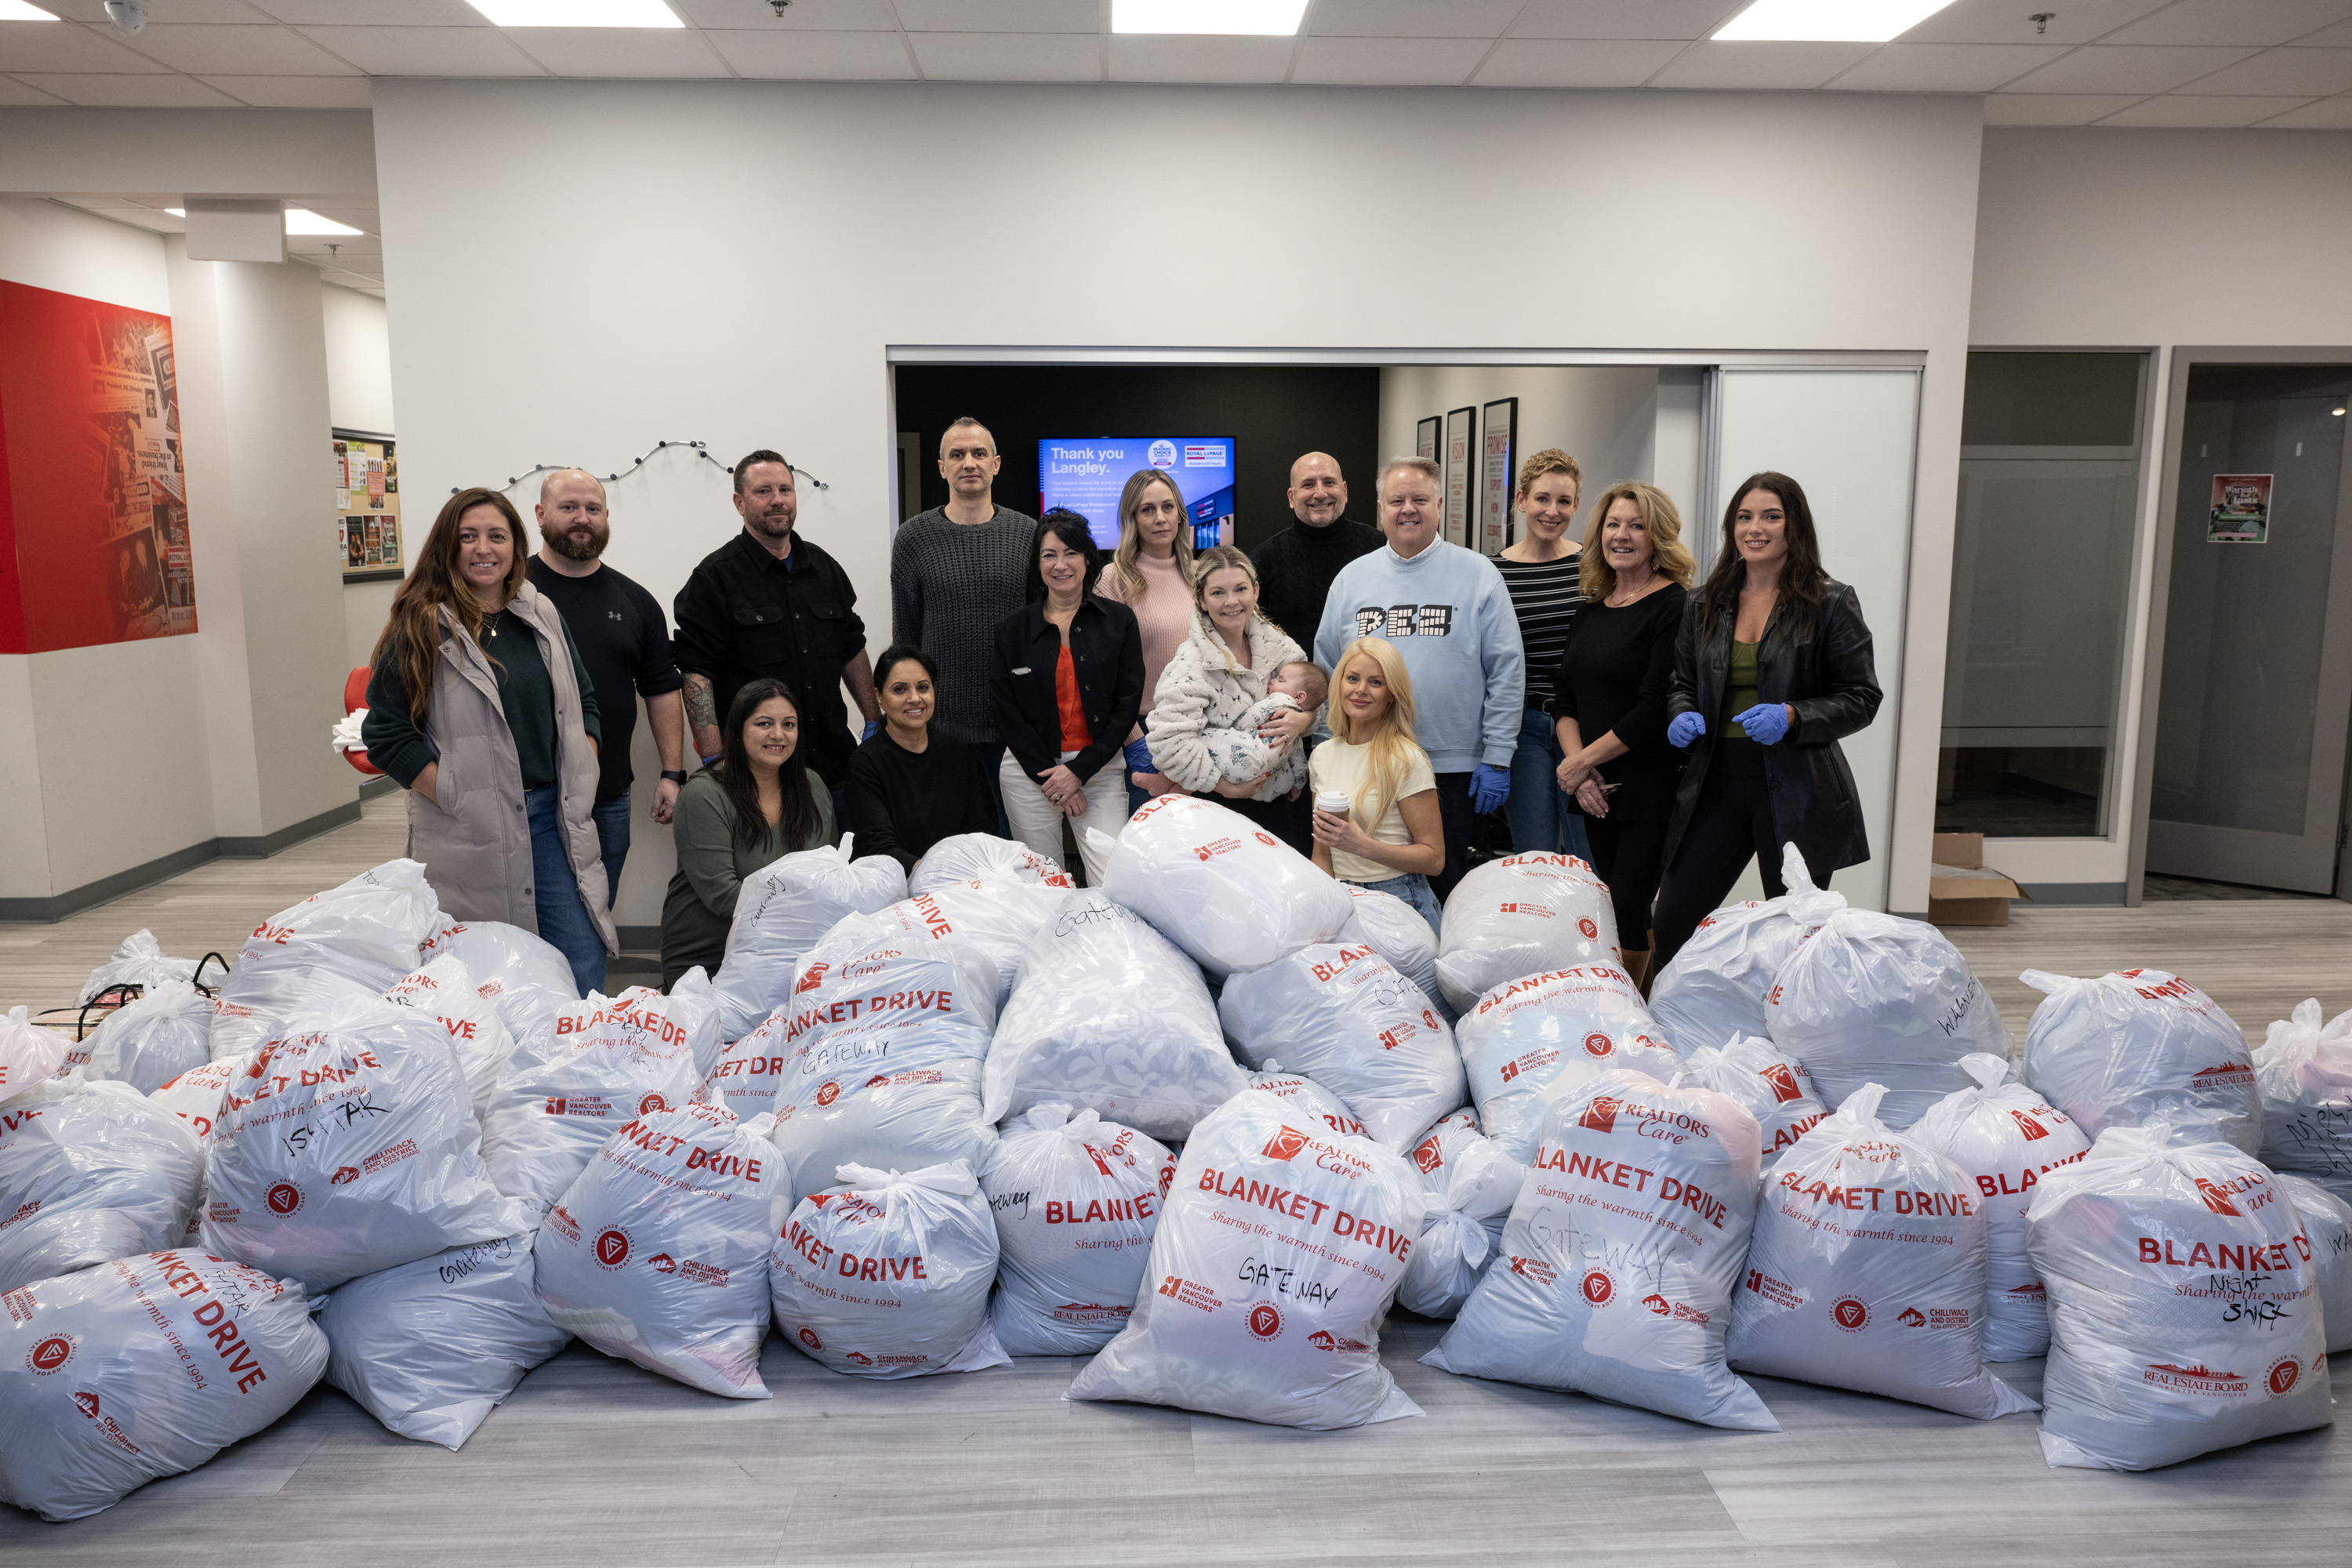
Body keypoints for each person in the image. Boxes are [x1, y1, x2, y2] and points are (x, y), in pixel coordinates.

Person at [362, 487, 614, 993]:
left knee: (581, 959)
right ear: (447, 547)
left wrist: (584, 757)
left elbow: (583, 698)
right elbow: (385, 732)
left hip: (554, 821)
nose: (484, 548)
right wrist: (453, 792)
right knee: (491, 975)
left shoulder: (540, 614)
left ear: (516, 546)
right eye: (468, 537)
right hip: (472, 827)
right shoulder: (420, 625)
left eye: (497, 536)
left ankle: (573, 1065)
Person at [1650, 471, 1882, 973]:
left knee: (1797, 934)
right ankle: (1673, 1031)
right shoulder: (1703, 601)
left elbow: (1862, 697)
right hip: (1715, 782)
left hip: (1797, 786)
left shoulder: (1830, 602)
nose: (1755, 528)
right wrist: (1681, 711)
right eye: (1744, 517)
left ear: (1793, 526)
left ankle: (1794, 1039)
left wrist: (1794, 715)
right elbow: (1682, 681)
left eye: (1771, 517)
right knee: (1673, 920)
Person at [1313, 456, 1523, 900]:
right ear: (1380, 508)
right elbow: (1330, 667)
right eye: (1396, 500)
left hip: (1452, 765)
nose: (1408, 509)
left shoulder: (1479, 575)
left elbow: (1507, 670)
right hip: (1367, 764)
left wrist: (1498, 755)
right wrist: (1326, 746)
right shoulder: (1353, 579)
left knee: (1446, 887)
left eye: (1419, 499)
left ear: (1440, 504)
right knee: (1368, 883)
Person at [673, 449, 880, 827]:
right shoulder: (714, 579)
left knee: (849, 875)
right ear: (739, 502)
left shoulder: (825, 568)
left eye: (785, 489)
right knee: (774, 885)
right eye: (763, 491)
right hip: (757, 779)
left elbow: (852, 646)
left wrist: (873, 719)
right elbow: (696, 674)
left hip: (835, 768)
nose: (778, 500)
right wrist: (714, 760)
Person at [1550, 481, 1696, 992]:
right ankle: (1654, 1006)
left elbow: (1653, 709)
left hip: (1651, 783)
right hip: (1595, 787)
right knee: (1614, 902)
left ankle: (1627, 1008)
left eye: (1636, 525)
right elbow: (1563, 696)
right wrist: (1580, 769)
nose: (1623, 535)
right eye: (1613, 524)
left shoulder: (1676, 607)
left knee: (1629, 900)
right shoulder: (1592, 607)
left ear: (1658, 537)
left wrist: (1579, 763)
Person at [526, 468, 685, 909]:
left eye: (593, 509)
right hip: (529, 795)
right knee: (535, 916)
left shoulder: (634, 600)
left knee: (597, 911)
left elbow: (662, 689)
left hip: (608, 793)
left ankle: (586, 979)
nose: (582, 518)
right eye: (569, 508)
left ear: (606, 516)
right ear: (540, 515)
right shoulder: (510, 592)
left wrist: (672, 773)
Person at [888, 417, 1036, 820]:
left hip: (1015, 724)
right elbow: (906, 637)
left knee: (1012, 844)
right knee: (947, 842)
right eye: (957, 454)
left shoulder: (1028, 534)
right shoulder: (913, 538)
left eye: (978, 453)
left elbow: (1043, 634)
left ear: (996, 464)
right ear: (941, 467)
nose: (968, 462)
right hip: (940, 725)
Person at [989, 510, 1145, 885]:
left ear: (1087, 558)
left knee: (1113, 882)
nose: (1060, 565)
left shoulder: (1119, 621)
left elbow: (1126, 706)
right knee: (1044, 886)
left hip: (1101, 769)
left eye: (1071, 552)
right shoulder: (1012, 631)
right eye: (1049, 555)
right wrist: (1054, 780)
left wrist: (1078, 772)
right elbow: (1005, 711)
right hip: (1031, 773)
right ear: (1037, 564)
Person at [659, 678, 836, 991]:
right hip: (712, 957)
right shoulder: (703, 795)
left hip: (795, 949)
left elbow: (830, 874)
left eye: (789, 724)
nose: (778, 735)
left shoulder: (812, 786)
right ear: (739, 730)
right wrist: (806, 918)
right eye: (764, 723)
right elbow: (724, 897)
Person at [1142, 545, 1319, 850]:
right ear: (1201, 599)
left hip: (1277, 806)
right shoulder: (1190, 664)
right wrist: (1222, 786)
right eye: (1218, 593)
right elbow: (1168, 742)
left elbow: (1319, 700)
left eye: (1240, 589)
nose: (1232, 602)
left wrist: (1305, 718)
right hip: (1216, 810)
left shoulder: (1282, 649)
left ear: (1256, 590)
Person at [1309, 637, 1446, 934]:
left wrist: (1362, 846)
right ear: (1339, 684)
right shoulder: (1322, 755)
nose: (1360, 690)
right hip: (1342, 901)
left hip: (1400, 900)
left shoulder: (1406, 758)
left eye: (1375, 682)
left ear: (1392, 695)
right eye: (1353, 678)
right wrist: (1327, 908)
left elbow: (1434, 859)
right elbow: (1322, 852)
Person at [1495, 448, 1592, 864]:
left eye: (1564, 501)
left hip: (1589, 729)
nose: (1552, 511)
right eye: (1542, 499)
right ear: (1520, 500)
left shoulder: (1595, 564)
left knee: (1591, 855)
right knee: (1536, 859)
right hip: (1524, 728)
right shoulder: (1494, 572)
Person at [1094, 468, 1196, 812]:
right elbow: (1100, 673)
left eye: (1168, 507)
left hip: (1201, 731)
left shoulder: (1199, 575)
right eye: (1147, 510)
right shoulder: (1114, 579)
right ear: (1132, 519)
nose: (1160, 518)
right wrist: (1135, 742)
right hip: (1145, 736)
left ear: (1180, 515)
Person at [848, 644, 998, 874]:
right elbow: (879, 848)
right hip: (894, 884)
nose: (915, 698)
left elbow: (977, 832)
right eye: (900, 690)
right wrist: (938, 875)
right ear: (879, 696)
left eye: (923, 687)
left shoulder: (956, 752)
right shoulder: (865, 762)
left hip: (960, 879)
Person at [1249, 452, 1382, 649]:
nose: (1320, 493)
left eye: (1329, 482)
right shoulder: (1263, 560)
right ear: (1291, 497)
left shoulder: (1379, 548)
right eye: (1308, 484)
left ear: (1344, 491)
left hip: (1366, 677)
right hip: (1294, 677)